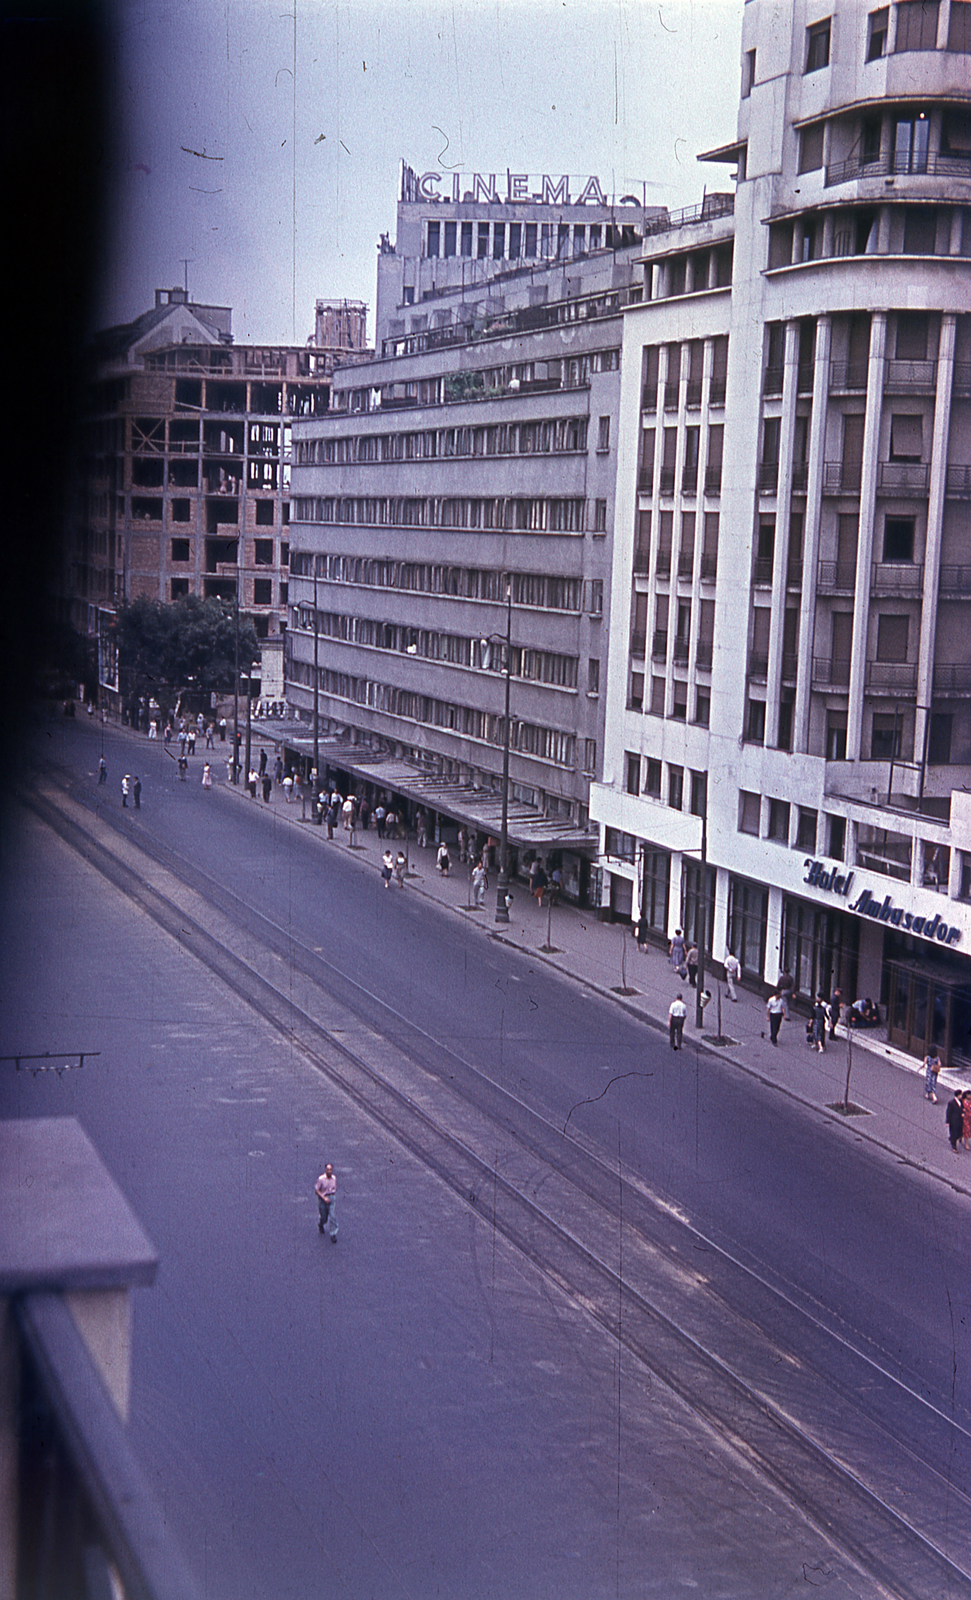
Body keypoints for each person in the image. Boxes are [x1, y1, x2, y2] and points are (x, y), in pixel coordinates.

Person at [314, 1163, 338, 1242]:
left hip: (331, 1198)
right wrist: (324, 1198)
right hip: (323, 1198)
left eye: (331, 1170)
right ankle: (321, 1224)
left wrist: (331, 1196)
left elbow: (334, 1189)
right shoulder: (321, 1179)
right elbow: (316, 1190)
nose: (329, 1171)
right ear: (325, 1170)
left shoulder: (334, 1178)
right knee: (324, 1217)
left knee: (332, 1215)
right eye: (328, 1170)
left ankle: (333, 1234)